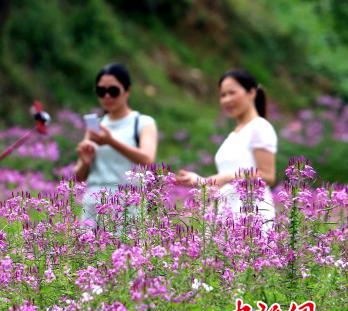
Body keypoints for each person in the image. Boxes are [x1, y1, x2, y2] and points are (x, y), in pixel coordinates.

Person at [176, 69, 278, 222]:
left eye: (232, 93)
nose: (226, 100)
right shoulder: (234, 134)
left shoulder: (260, 127)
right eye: (223, 95)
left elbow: (267, 175)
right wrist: (200, 181)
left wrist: (227, 177)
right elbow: (225, 182)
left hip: (252, 214)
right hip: (226, 211)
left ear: (251, 93)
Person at [74, 63, 158, 220]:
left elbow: (147, 159)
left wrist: (111, 142)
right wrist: (85, 162)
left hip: (127, 204)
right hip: (93, 205)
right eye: (101, 91)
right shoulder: (96, 126)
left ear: (127, 91)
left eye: (113, 91)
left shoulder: (142, 123)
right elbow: (78, 177)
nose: (107, 96)